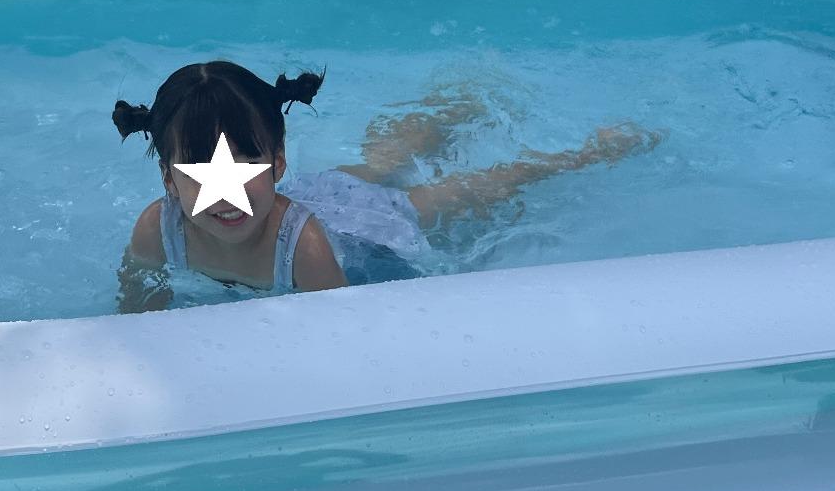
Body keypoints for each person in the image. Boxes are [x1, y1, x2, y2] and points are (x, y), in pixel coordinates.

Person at [112, 60, 657, 311]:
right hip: (323, 197)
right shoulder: (157, 229)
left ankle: (584, 153)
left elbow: (340, 335)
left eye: (246, 160)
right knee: (379, 163)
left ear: (278, 163)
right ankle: (448, 109)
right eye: (200, 166)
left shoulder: (304, 249)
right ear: (168, 178)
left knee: (467, 194)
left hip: (363, 225)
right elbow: (136, 315)